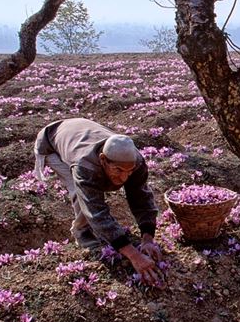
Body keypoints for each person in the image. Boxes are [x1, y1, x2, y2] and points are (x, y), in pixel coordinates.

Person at [34, 118, 164, 286]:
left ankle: (106, 235)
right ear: (103, 159)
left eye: (129, 171)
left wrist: (147, 238)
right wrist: (133, 254)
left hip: (81, 133)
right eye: (118, 170)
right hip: (51, 142)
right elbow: (95, 210)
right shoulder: (85, 164)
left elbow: (141, 197)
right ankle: (82, 233)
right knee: (79, 191)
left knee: (117, 182)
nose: (124, 177)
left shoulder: (136, 161)